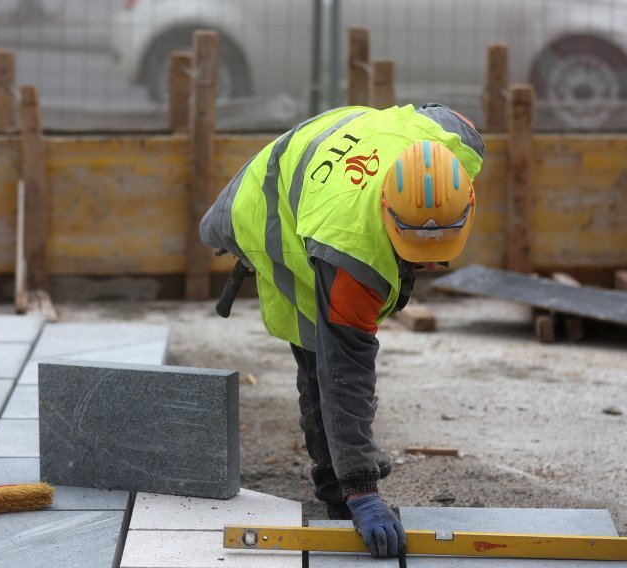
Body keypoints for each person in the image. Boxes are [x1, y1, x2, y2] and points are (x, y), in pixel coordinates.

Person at [200, 103, 484, 559]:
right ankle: (337, 489)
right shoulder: (351, 251)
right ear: (387, 212)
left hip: (321, 158)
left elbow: (435, 111)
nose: (430, 263)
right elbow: (344, 375)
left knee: (342, 360)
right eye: (417, 248)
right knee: (323, 357)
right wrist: (362, 489)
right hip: (270, 208)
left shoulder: (456, 143)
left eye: (441, 249)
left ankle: (349, 458)